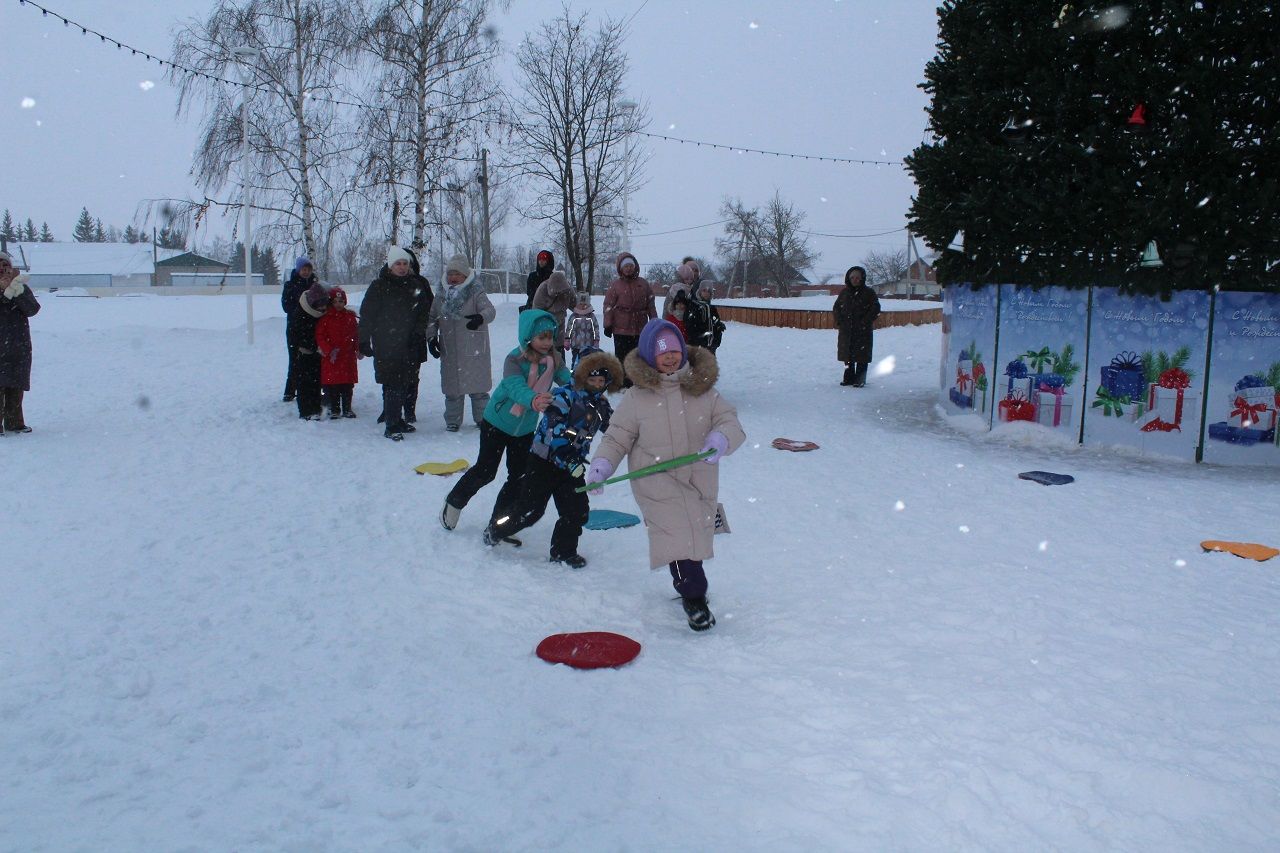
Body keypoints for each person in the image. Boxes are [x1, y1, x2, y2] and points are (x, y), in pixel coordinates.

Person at [585, 319, 745, 632]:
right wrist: (602, 465)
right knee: (677, 536)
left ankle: (686, 582)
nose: (670, 357)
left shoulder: (703, 392)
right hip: (655, 480)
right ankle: (694, 596)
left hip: (698, 478)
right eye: (662, 352)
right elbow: (617, 437)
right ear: (648, 356)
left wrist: (721, 439)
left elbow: (730, 422)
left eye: (674, 350)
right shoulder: (637, 398)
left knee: (693, 538)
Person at [484, 347, 623, 567]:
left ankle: (563, 552)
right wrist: (568, 458)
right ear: (580, 375)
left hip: (571, 468)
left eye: (601, 381)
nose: (597, 385)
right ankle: (497, 528)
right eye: (592, 379)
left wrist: (636, 439)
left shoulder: (601, 405)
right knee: (530, 511)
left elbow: (616, 429)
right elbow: (553, 432)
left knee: (576, 511)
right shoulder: (563, 396)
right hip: (543, 463)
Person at [440, 309, 570, 534]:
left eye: (550, 337)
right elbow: (515, 387)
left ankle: (499, 524)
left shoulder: (554, 361)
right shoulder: (514, 359)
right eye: (542, 337)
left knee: (518, 477)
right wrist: (535, 399)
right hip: (497, 423)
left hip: (525, 429)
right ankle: (454, 501)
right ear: (528, 337)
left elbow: (567, 380)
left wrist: (585, 385)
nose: (547, 343)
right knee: (486, 471)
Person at [360, 246, 431, 440]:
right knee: (393, 383)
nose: (401, 267)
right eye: (397, 264)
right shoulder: (379, 286)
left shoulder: (415, 285)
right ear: (390, 266)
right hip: (386, 343)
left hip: (409, 343)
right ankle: (391, 425)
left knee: (405, 383)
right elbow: (367, 314)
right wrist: (363, 340)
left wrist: (418, 333)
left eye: (404, 264)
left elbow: (424, 312)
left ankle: (398, 419)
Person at [426, 254, 495, 432]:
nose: (453, 277)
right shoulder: (441, 295)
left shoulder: (476, 291)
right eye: (450, 273)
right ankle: (453, 421)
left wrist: (480, 317)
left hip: (474, 348)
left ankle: (483, 419)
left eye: (457, 274)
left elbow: (490, 310)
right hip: (450, 348)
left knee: (478, 389)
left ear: (465, 275)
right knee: (452, 390)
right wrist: (431, 337)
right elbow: (432, 318)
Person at [0, 252, 40, 435]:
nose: (2, 270)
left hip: (18, 346)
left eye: (5, 266)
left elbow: (32, 309)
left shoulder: (20, 287)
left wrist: (15, 291)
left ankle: (14, 423)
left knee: (16, 386)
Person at [602, 251, 656, 387]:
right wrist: (608, 324)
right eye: (625, 266)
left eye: (631, 265)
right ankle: (621, 381)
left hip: (640, 328)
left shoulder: (643, 284)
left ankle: (636, 380)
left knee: (638, 355)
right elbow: (608, 305)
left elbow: (651, 304)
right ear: (621, 268)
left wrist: (654, 322)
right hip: (621, 328)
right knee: (621, 356)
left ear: (635, 266)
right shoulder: (616, 285)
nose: (628, 268)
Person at [314, 285, 360, 418]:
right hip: (332, 358)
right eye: (334, 302)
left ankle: (347, 408)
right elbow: (320, 336)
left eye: (341, 301)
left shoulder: (350, 317)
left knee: (347, 385)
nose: (338, 304)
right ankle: (334, 408)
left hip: (347, 357)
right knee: (332, 385)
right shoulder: (325, 319)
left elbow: (356, 335)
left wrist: (358, 349)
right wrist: (328, 350)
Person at [833, 265, 881, 387]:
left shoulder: (869, 293)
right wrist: (840, 321)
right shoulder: (844, 293)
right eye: (852, 277)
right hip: (847, 331)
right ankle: (848, 378)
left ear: (862, 278)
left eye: (857, 277)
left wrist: (865, 322)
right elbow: (836, 308)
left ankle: (860, 379)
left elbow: (875, 308)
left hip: (862, 331)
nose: (854, 279)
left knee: (862, 357)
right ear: (848, 278)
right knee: (847, 356)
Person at [288, 281, 330, 420]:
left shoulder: (322, 313)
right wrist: (314, 346)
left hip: (318, 353)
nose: (323, 308)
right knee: (305, 384)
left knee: (317, 382)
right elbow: (297, 336)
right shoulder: (300, 314)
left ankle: (316, 408)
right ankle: (306, 411)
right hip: (304, 353)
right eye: (321, 305)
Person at [402, 247, 434, 425]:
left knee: (412, 376)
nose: (403, 267)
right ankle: (390, 409)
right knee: (391, 375)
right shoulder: (386, 282)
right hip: (393, 339)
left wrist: (425, 332)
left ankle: (409, 410)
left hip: (415, 338)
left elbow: (430, 308)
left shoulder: (421, 282)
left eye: (406, 263)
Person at [281, 257, 317, 402]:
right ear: (298, 270)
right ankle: (290, 391)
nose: (306, 272)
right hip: (295, 328)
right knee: (295, 360)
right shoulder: (290, 286)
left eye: (308, 269)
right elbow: (286, 306)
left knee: (313, 359)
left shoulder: (315, 285)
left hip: (313, 328)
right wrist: (300, 308)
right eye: (303, 269)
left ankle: (314, 388)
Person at [532, 268, 575, 344]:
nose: (560, 294)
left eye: (562, 292)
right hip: (545, 325)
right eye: (558, 293)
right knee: (546, 347)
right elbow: (536, 311)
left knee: (559, 348)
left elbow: (575, 305)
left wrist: (584, 310)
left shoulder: (568, 290)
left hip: (560, 323)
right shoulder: (543, 289)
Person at [686, 279, 725, 353]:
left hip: (711, 346)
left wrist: (719, 327)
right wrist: (699, 336)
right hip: (697, 345)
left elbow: (716, 320)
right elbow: (689, 325)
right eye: (704, 290)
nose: (706, 293)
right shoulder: (693, 306)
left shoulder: (711, 308)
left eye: (709, 291)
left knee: (710, 363)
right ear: (699, 291)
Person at [564, 291, 601, 368]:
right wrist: (567, 339)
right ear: (577, 304)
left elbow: (595, 328)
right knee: (575, 361)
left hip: (588, 345)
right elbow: (569, 328)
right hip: (576, 345)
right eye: (581, 304)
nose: (583, 306)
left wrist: (596, 340)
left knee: (588, 362)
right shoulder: (574, 316)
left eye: (585, 304)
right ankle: (573, 374)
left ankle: (588, 375)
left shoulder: (591, 316)